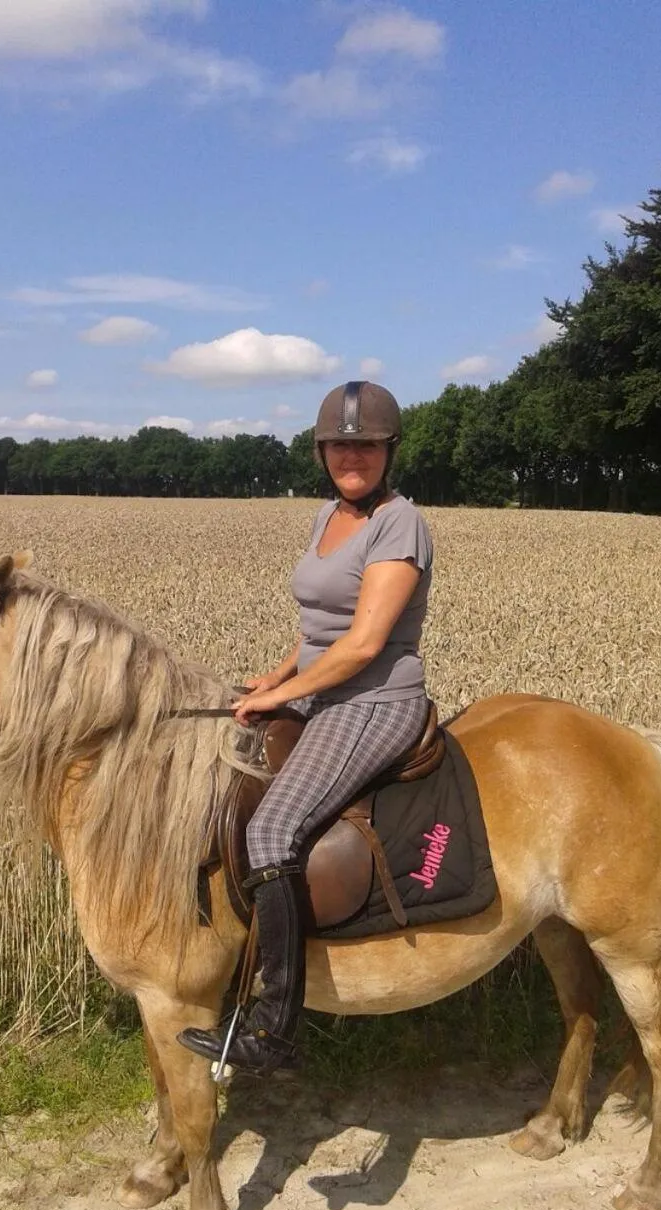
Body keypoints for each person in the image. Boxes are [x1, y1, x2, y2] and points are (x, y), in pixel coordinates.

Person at [178, 380, 434, 1077]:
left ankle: (272, 1027)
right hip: (321, 692)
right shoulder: (328, 515)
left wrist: (291, 691)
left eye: (367, 444)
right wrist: (276, 674)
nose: (353, 455)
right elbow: (321, 630)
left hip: (373, 701)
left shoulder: (399, 522)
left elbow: (362, 646)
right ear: (322, 450)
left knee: (269, 832)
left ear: (388, 451)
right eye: (340, 443)